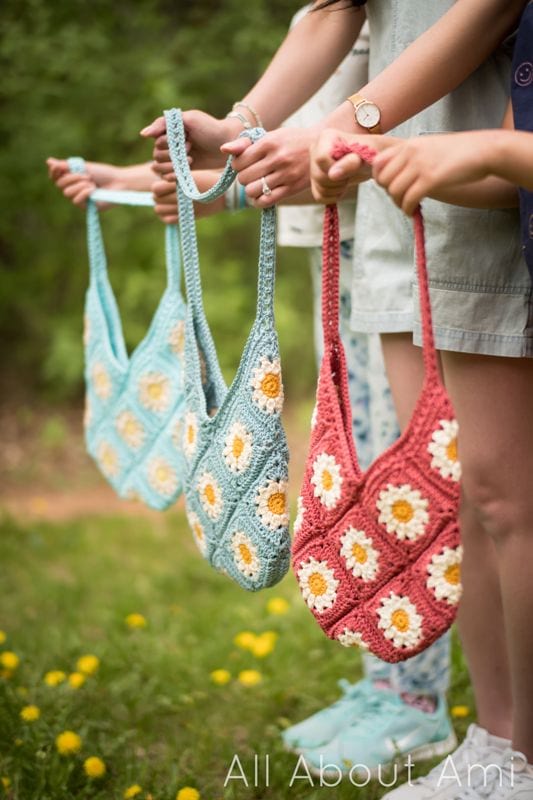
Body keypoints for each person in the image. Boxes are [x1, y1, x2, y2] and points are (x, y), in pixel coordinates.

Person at [307, 9, 533, 800]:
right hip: (401, 202)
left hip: (475, 197)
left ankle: (522, 754)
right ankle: (495, 739)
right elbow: (329, 16)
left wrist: (354, 121)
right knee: (460, 498)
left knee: (509, 502)